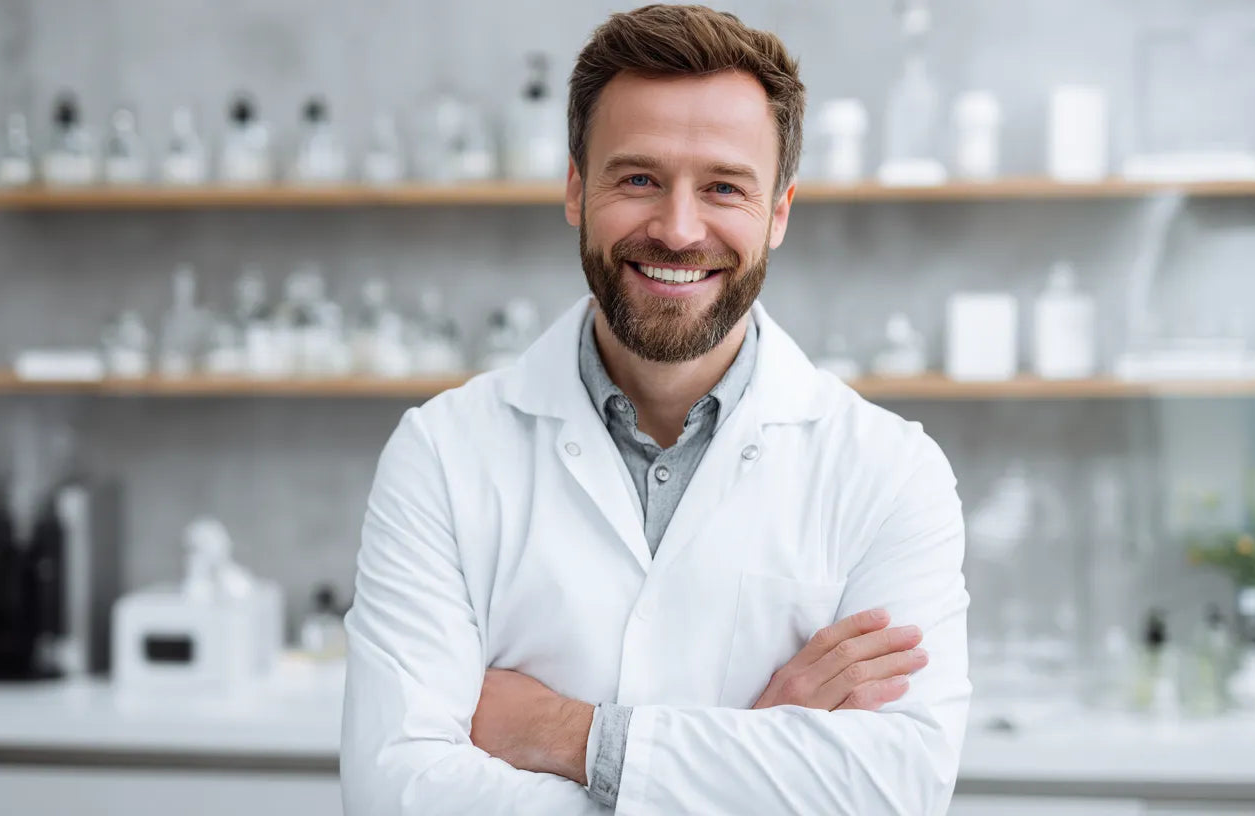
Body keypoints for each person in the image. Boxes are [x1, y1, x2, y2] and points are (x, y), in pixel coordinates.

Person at [341, 5, 970, 814]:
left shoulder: (890, 471)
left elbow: (895, 790)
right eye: (638, 178)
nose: (677, 229)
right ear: (576, 188)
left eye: (723, 187)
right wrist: (762, 747)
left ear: (778, 212)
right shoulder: (442, 452)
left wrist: (574, 738)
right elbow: (395, 795)